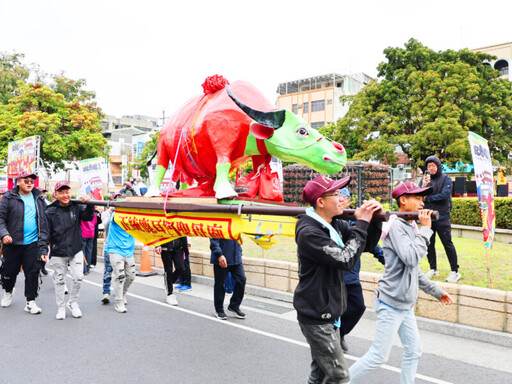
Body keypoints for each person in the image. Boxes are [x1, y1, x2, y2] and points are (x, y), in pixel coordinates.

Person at [349, 181, 454, 383]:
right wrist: (426, 230)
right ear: (403, 200)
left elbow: (414, 270)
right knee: (378, 355)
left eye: (423, 198)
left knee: (414, 351)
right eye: (417, 198)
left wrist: (436, 291)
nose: (422, 203)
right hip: (391, 302)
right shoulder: (397, 225)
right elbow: (411, 257)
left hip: (404, 304)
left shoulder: (411, 225)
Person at [294, 175, 383, 384]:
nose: (342, 198)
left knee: (320, 375)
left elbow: (364, 245)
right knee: (339, 376)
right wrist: (362, 222)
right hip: (317, 315)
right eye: (336, 194)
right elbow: (346, 259)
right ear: (321, 202)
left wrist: (374, 220)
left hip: (331, 313)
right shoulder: (310, 232)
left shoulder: (334, 225)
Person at [338, 187, 386, 353]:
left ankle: (340, 333)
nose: (339, 199)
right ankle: (330, 336)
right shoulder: (332, 221)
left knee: (358, 306)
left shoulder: (354, 221)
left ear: (349, 201)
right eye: (336, 196)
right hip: (335, 274)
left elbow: (370, 244)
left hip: (351, 274)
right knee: (334, 309)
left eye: (342, 197)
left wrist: (386, 260)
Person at [0, 171, 49, 314]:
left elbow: (45, 221)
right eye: (26, 180)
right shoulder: (9, 197)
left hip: (33, 243)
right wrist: (4, 234)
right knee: (9, 272)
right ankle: (8, 291)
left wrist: (44, 243)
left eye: (32, 181)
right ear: (18, 182)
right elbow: (1, 219)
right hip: (12, 243)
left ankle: (30, 302)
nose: (29, 183)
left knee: (32, 272)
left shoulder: (39, 197)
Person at [45, 181, 93, 320]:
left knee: (79, 277)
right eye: (61, 192)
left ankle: (73, 302)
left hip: (76, 249)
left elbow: (88, 217)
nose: (65, 195)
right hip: (58, 251)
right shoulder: (50, 211)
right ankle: (60, 307)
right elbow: (45, 232)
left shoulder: (76, 206)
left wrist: (89, 204)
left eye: (67, 192)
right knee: (60, 281)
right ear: (56, 194)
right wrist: (43, 250)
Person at [419, 155, 461, 283]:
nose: (431, 168)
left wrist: (428, 198)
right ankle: (433, 269)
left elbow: (444, 196)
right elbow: (419, 196)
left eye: (433, 165)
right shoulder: (424, 180)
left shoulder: (446, 179)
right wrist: (423, 186)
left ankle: (455, 271)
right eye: (429, 166)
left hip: (442, 216)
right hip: (428, 216)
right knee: (429, 244)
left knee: (447, 243)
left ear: (438, 166)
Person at [104, 206, 136, 313]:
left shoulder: (133, 218)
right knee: (119, 276)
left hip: (128, 251)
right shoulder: (115, 215)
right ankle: (119, 302)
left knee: (131, 276)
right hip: (115, 250)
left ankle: (122, 293)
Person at [209, 238, 247, 320]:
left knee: (242, 279)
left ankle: (234, 306)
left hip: (236, 257)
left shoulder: (236, 225)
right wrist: (219, 255)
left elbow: (238, 239)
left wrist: (240, 253)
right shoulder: (219, 224)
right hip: (222, 258)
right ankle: (219, 309)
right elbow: (213, 241)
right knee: (220, 283)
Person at [154, 236, 189, 306]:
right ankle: (170, 294)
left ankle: (168, 282)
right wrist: (157, 245)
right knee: (168, 270)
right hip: (165, 248)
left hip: (179, 247)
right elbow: (156, 230)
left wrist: (186, 246)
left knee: (181, 268)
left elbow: (183, 231)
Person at [81, 209, 96, 275]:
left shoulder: (81, 212)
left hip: (83, 233)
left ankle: (84, 268)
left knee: (83, 252)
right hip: (91, 233)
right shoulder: (93, 212)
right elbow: (95, 222)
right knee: (89, 252)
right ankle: (87, 268)